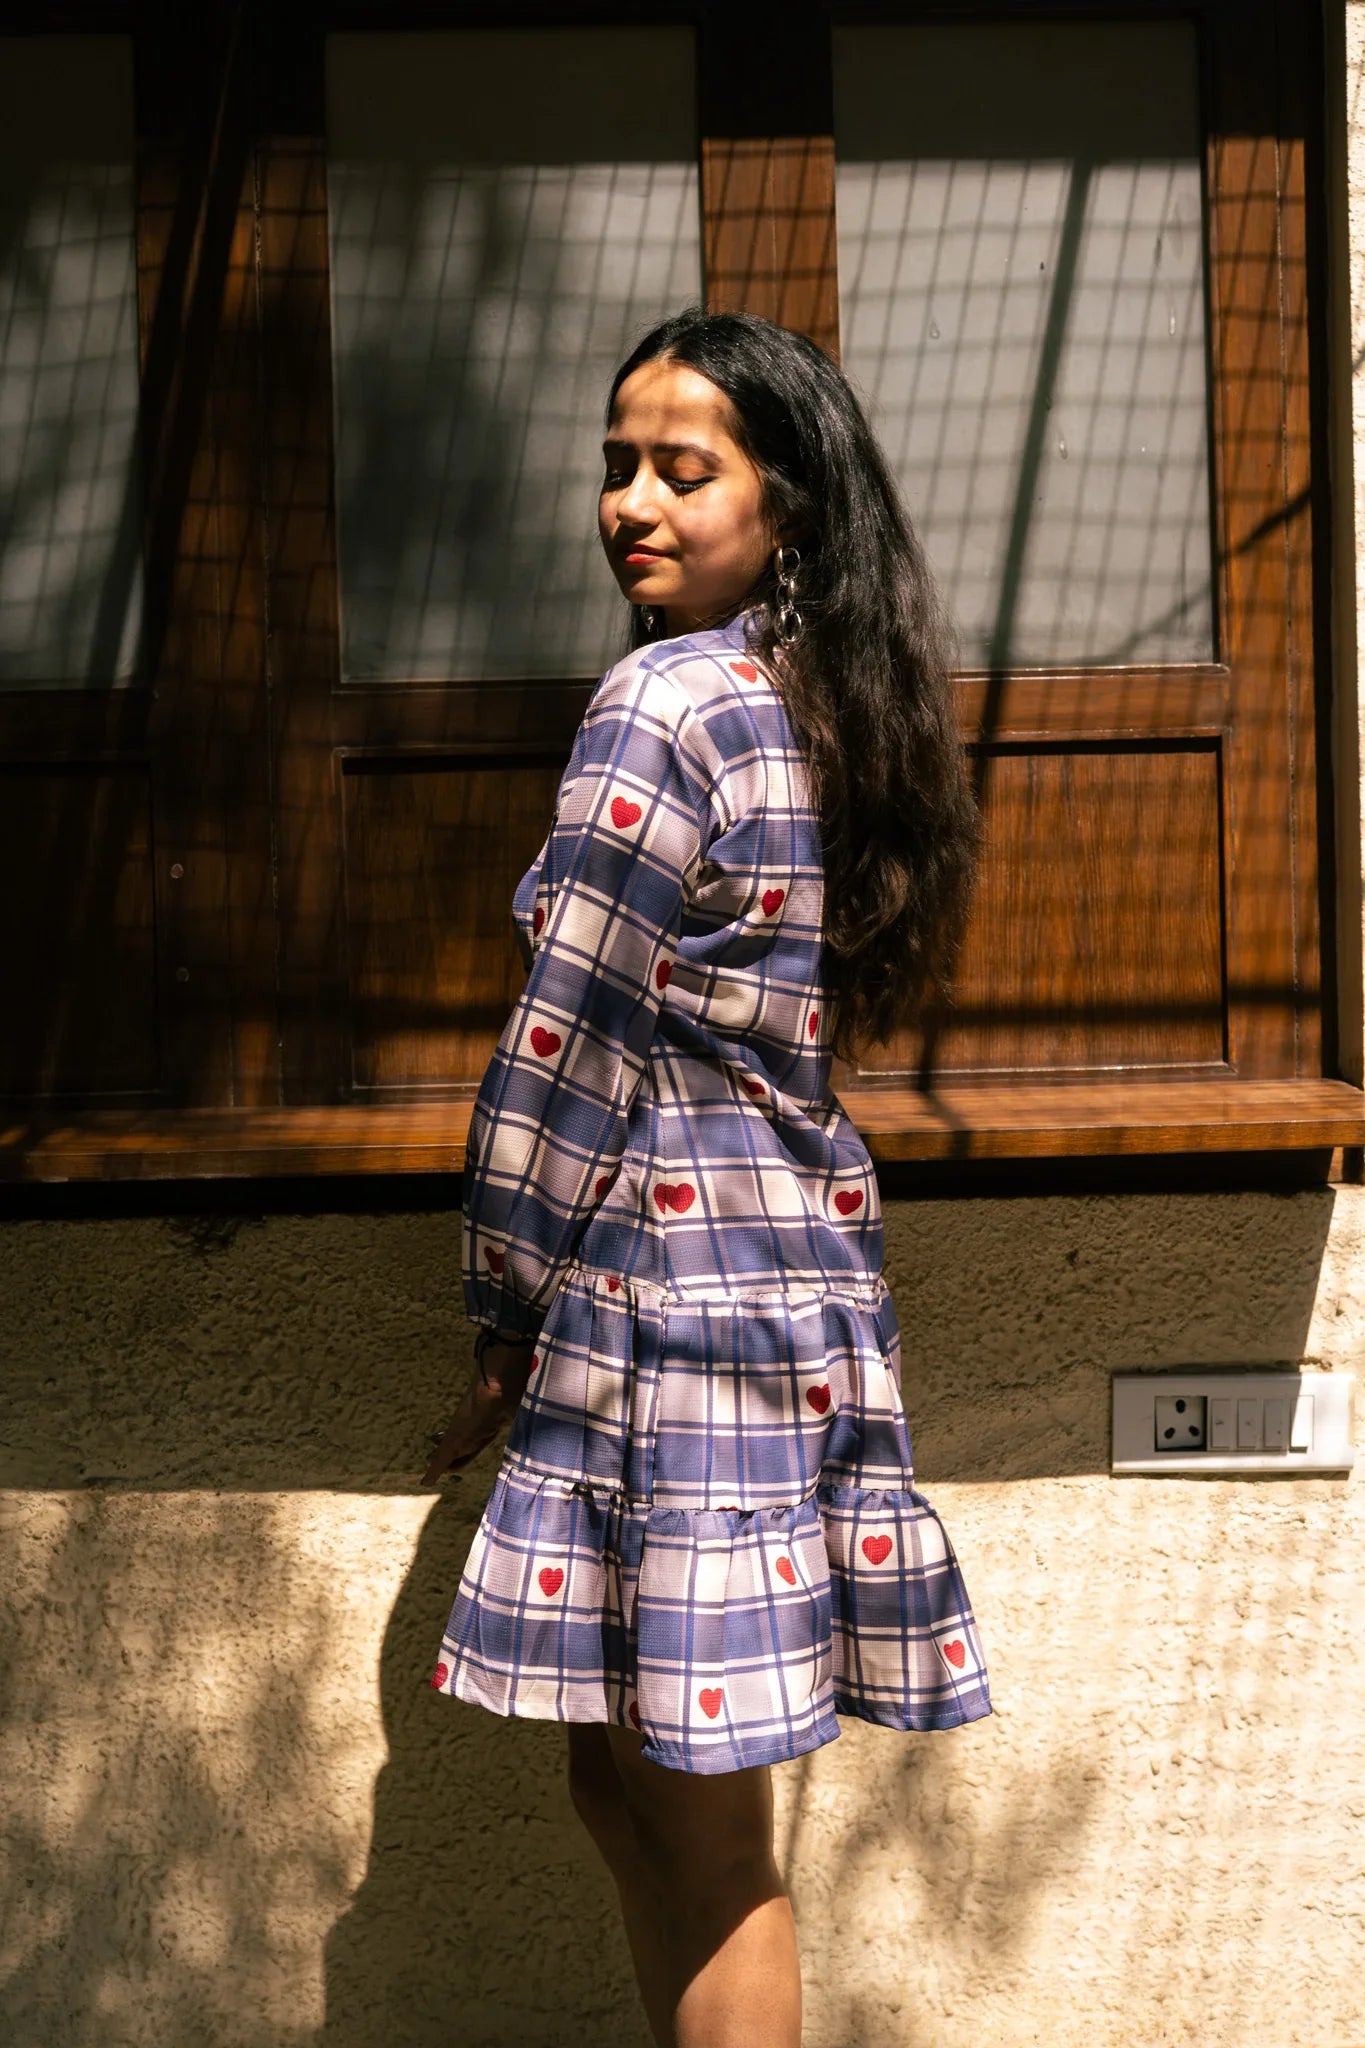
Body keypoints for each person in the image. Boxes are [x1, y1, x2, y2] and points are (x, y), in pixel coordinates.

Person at [423, 308, 993, 2048]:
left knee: (695, 1816)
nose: (633, 504)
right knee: (644, 1790)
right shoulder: (807, 700)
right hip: (770, 1287)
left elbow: (565, 1035)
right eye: (617, 466)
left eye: (686, 468)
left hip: (671, 1321)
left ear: (788, 509)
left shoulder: (664, 699)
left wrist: (497, 1301)